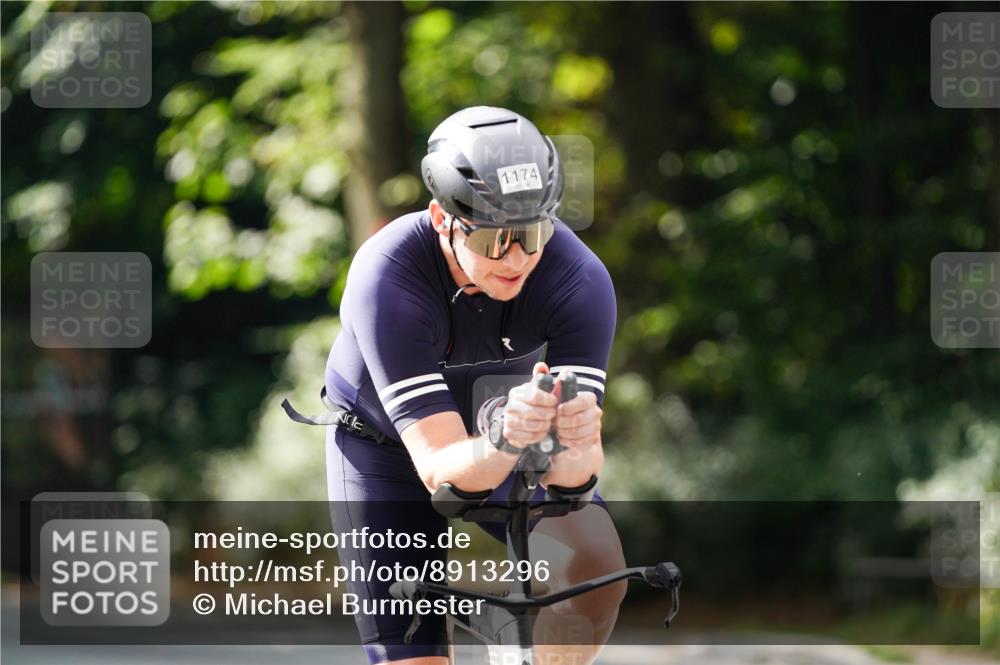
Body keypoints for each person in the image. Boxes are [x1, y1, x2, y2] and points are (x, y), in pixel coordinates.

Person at [321, 106, 624, 665]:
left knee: (595, 565)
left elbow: (571, 484)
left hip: (506, 430)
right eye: (493, 240)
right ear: (442, 219)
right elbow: (442, 473)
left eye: (532, 233)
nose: (516, 258)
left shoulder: (578, 281)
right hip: (385, 448)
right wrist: (507, 440)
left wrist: (577, 444)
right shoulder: (387, 274)